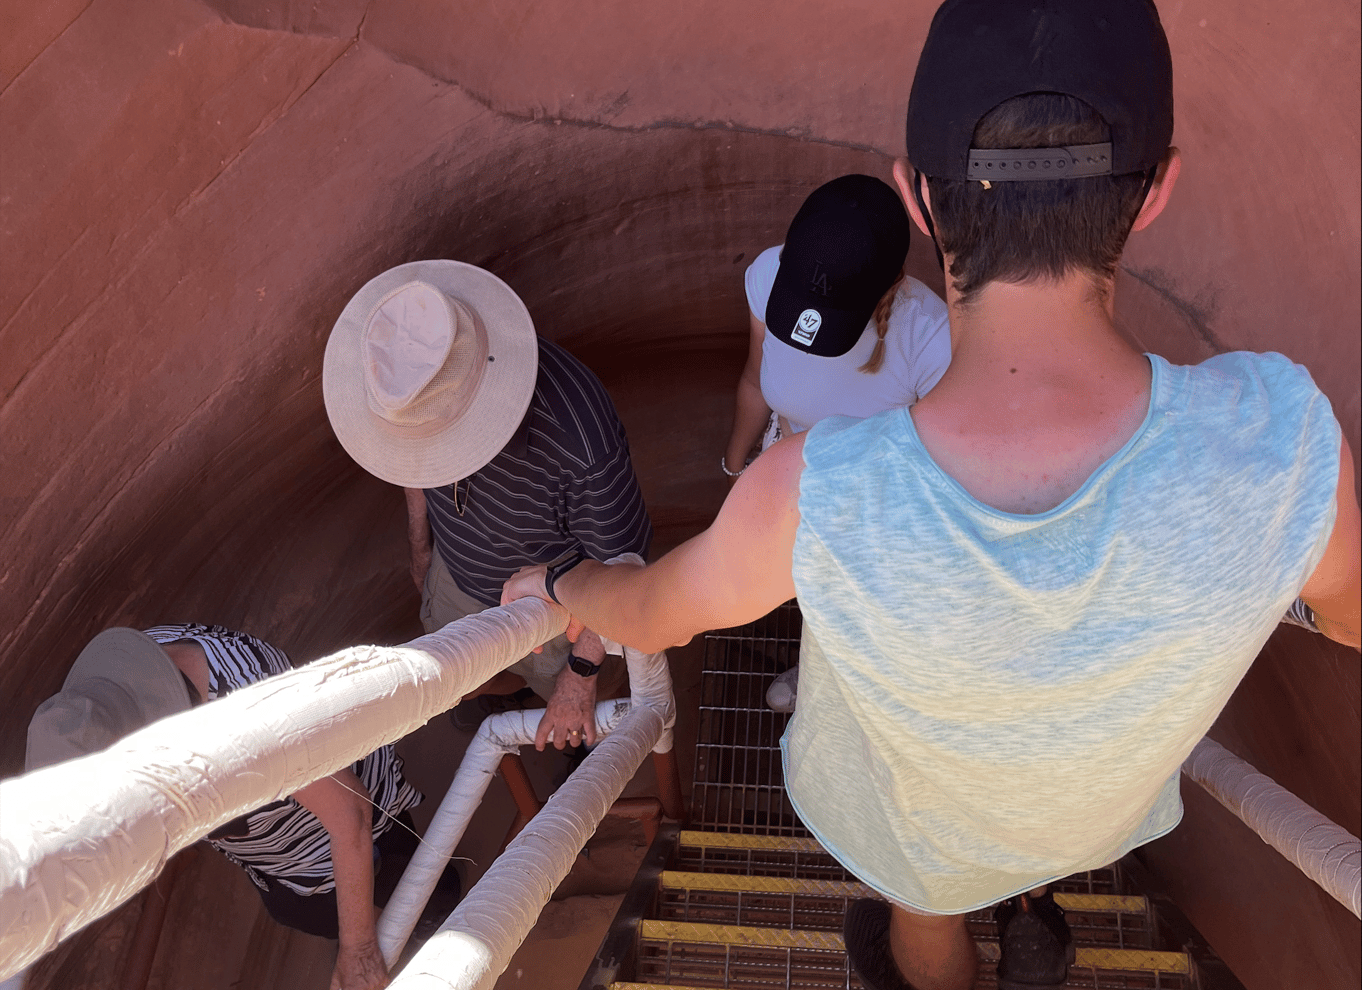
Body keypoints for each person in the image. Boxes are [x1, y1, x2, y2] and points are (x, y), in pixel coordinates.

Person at [501, 2, 1362, 988]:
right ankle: (1035, 902)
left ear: (918, 200)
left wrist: (563, 586)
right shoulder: (1288, 442)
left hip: (917, 824)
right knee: (1021, 835)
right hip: (1092, 810)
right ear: (1158, 188)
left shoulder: (815, 494)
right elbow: (1350, 620)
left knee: (924, 905)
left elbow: (653, 611)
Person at [322, 260, 651, 753]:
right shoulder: (412, 364)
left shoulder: (579, 441)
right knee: (460, 680)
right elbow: (411, 450)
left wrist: (580, 676)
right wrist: (421, 544)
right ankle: (506, 695)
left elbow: (620, 567)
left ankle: (572, 739)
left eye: (444, 437)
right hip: (456, 575)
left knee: (572, 712)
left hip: (559, 613)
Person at [26, 624, 453, 990]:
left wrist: (358, 948)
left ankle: (437, 905)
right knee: (296, 908)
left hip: (345, 826)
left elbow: (351, 814)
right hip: (278, 849)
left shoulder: (249, 723)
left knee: (396, 888)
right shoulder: (129, 680)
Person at [721, 173, 951, 711]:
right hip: (792, 468)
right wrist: (735, 470)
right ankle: (819, 656)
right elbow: (757, 382)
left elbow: (935, 472)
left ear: (891, 281)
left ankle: (835, 675)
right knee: (809, 593)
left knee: (852, 604)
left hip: (872, 502)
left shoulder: (930, 340)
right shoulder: (767, 276)